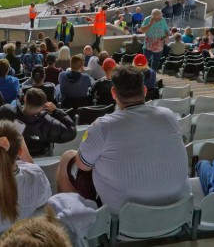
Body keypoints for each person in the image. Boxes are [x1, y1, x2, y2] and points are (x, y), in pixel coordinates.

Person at [56, 65, 189, 210]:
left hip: (123, 219)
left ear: (113, 93)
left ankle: (77, 216)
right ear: (144, 90)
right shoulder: (169, 115)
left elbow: (82, 165)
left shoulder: (102, 126)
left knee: (68, 157)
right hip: (177, 211)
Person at [0, 89, 77, 156]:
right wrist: (56, 111)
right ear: (44, 106)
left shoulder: (6, 112)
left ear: (25, 98)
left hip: (13, 158)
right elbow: (72, 131)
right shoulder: (50, 123)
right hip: (41, 158)